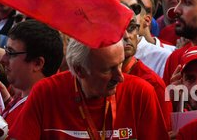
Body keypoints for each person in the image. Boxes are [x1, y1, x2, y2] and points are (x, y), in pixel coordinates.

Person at [10, 38, 169, 139]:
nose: (120, 77)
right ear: (79, 70)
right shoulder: (46, 92)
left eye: (120, 64)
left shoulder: (140, 92)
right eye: (108, 70)